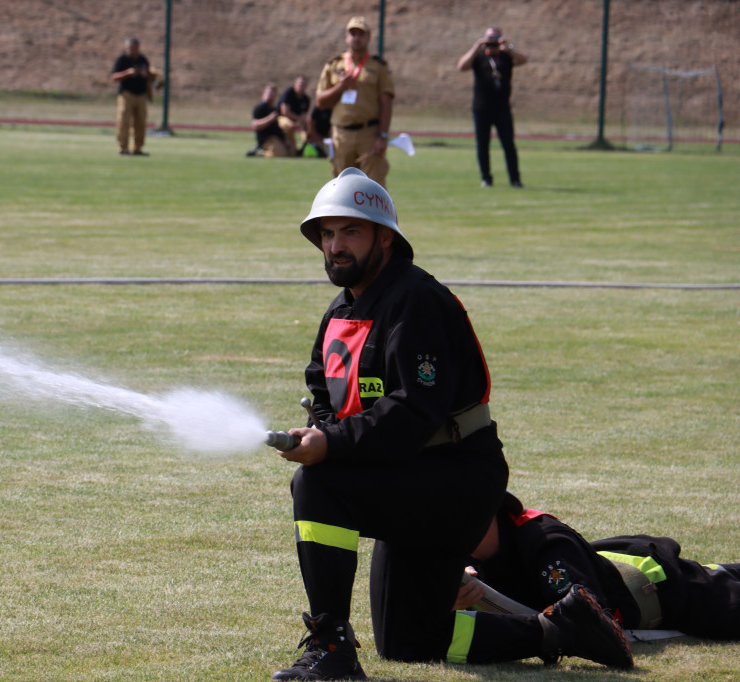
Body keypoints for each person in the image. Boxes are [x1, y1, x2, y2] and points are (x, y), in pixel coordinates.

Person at [271, 168, 632, 680]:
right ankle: (560, 630)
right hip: (409, 478)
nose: (335, 246)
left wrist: (329, 443)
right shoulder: (341, 311)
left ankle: (330, 646)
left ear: (385, 237)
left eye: (350, 231)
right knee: (409, 640)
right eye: (326, 234)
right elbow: (322, 390)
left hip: (455, 476)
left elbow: (414, 412)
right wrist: (322, 427)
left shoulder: (417, 301)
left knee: (316, 483)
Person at [449, 491, 740, 640]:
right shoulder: (454, 558)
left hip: (671, 592)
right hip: (622, 569)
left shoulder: (546, 542)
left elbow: (587, 623)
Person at [314, 16, 395, 186]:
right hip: (341, 135)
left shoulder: (378, 66)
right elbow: (320, 102)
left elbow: (386, 102)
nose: (356, 37)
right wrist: (340, 87)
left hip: (369, 134)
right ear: (346, 37)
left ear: (368, 37)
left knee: (374, 188)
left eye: (361, 34)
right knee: (343, 190)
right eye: (353, 33)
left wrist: (383, 135)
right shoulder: (334, 65)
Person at [456, 27, 528, 188]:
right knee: (482, 145)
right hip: (481, 108)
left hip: (502, 109)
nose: (492, 42)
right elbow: (461, 66)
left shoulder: (506, 56)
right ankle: (486, 178)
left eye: (495, 38)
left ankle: (515, 179)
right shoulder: (479, 56)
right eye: (490, 38)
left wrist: (509, 47)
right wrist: (477, 46)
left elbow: (524, 60)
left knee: (509, 145)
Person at [110, 37, 150, 156]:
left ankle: (137, 148)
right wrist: (127, 73)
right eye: (129, 48)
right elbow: (114, 77)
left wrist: (145, 74)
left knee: (140, 122)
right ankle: (123, 148)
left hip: (141, 94)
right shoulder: (122, 59)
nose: (132, 50)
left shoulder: (142, 60)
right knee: (124, 121)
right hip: (126, 94)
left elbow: (149, 74)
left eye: (134, 48)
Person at [251, 83, 290, 158]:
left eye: (273, 94)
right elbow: (255, 124)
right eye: (268, 93)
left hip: (275, 137)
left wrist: (284, 140)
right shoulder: (260, 108)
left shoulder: (273, 109)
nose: (270, 96)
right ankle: (262, 153)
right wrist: (269, 119)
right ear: (263, 94)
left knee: (290, 152)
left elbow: (277, 128)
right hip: (266, 138)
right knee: (278, 154)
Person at [278, 75, 311, 157]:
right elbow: (284, 111)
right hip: (282, 119)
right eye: (300, 84)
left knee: (306, 134)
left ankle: (303, 148)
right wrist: (298, 119)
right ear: (295, 84)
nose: (301, 86)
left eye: (304, 84)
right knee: (290, 124)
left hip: (296, 122)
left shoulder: (306, 99)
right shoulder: (289, 93)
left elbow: (304, 116)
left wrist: (304, 125)